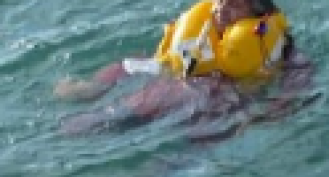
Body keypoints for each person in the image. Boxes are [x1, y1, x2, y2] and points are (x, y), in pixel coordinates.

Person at [54, 0, 313, 135]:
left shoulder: (280, 49)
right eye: (220, 1)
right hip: (174, 86)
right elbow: (151, 62)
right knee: (111, 91)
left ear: (258, 15)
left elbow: (297, 85)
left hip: (218, 102)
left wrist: (264, 115)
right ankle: (88, 98)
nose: (222, 9)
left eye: (235, 4)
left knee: (172, 159)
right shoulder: (202, 33)